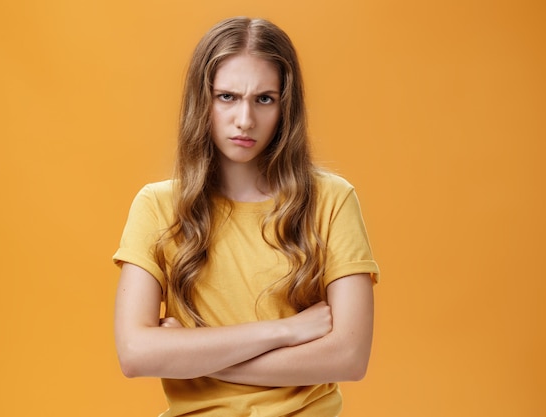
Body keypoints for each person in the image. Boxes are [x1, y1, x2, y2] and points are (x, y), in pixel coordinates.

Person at [112, 16, 379, 416]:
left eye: (264, 99)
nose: (245, 120)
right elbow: (135, 354)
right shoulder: (157, 206)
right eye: (227, 97)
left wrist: (193, 354)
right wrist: (285, 331)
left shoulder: (331, 200)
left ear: (286, 106)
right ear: (202, 101)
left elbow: (350, 357)